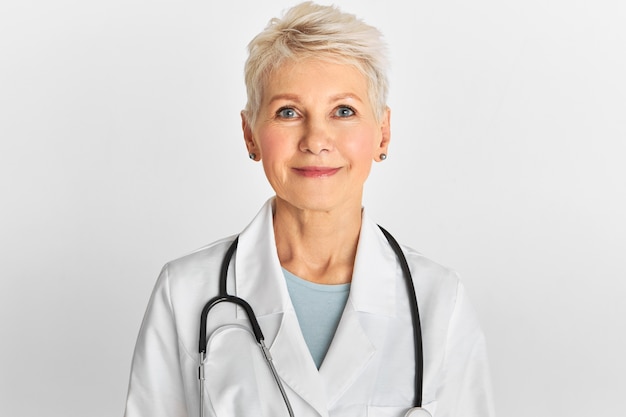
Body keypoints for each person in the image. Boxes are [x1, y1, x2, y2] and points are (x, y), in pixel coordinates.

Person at [123, 2, 495, 416]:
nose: (316, 139)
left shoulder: (439, 300)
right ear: (250, 135)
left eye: (344, 111)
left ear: (382, 133)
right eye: (288, 112)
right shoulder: (187, 291)